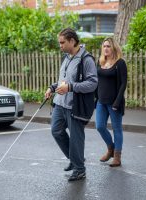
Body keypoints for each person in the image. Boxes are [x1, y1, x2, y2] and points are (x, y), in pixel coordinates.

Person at [45, 28, 98, 181]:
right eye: (59, 43)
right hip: (59, 104)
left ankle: (80, 169)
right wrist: (52, 87)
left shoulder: (86, 59)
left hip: (75, 106)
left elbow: (93, 84)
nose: (60, 45)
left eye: (62, 42)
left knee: (76, 138)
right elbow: (64, 80)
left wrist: (71, 87)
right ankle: (75, 160)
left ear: (72, 41)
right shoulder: (66, 58)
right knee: (56, 131)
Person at [95, 37, 127, 167]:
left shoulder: (120, 63)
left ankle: (117, 157)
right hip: (101, 101)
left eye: (108, 46)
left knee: (117, 129)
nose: (106, 48)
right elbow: (97, 82)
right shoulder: (101, 62)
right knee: (100, 126)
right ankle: (111, 149)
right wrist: (95, 98)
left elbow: (123, 83)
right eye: (104, 46)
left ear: (113, 48)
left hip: (114, 102)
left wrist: (117, 102)